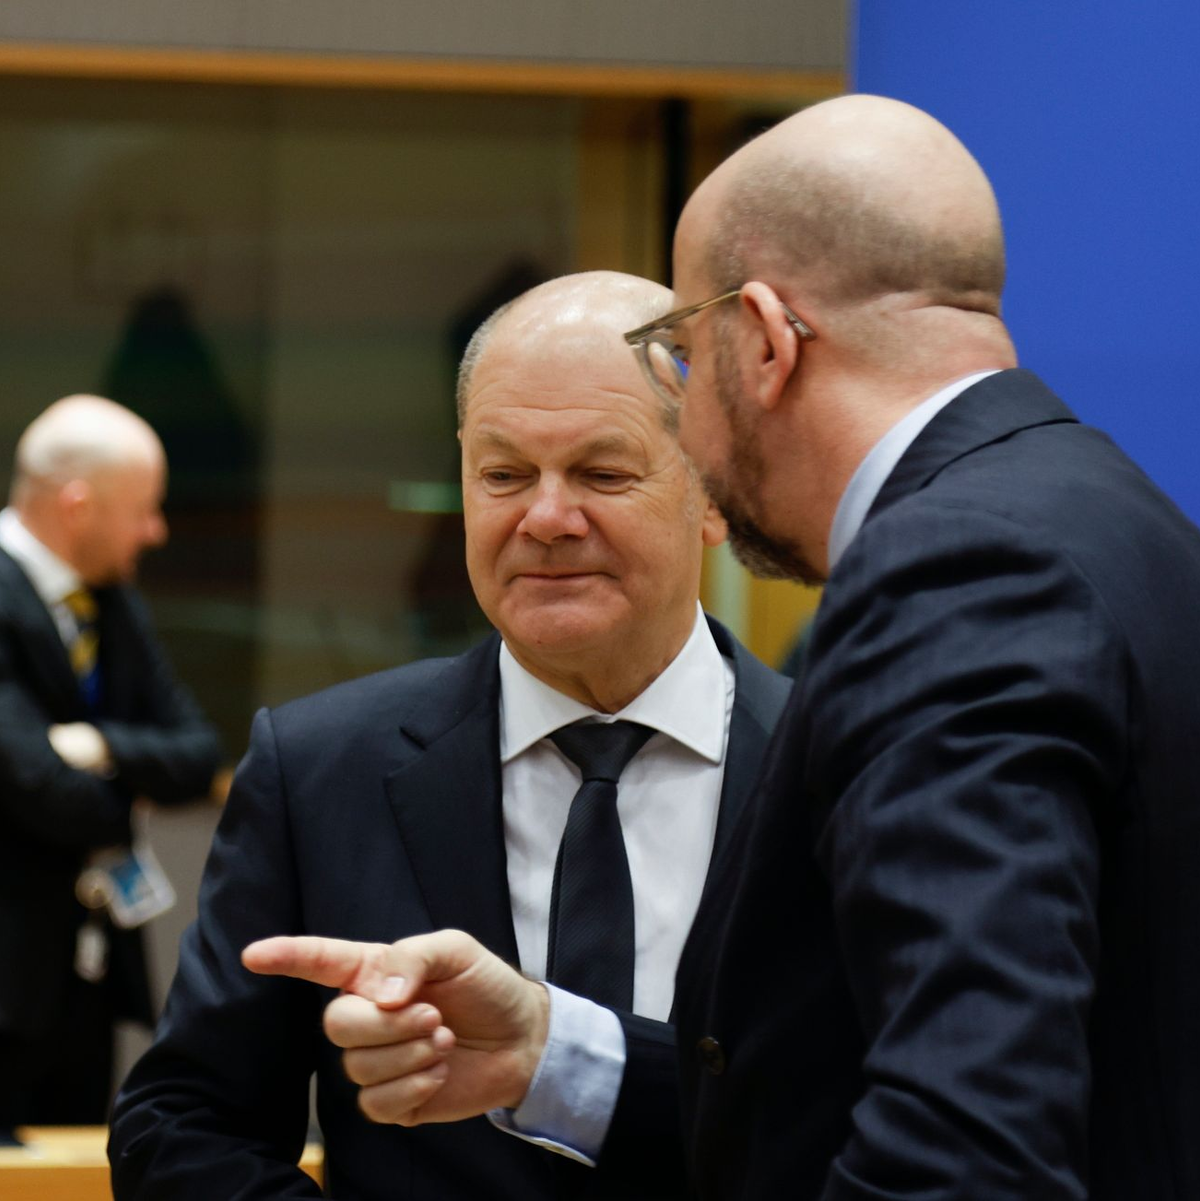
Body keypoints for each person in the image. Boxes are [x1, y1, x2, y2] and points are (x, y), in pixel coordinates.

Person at [239, 96, 1200, 1200]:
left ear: (765, 341)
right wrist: (555, 1054)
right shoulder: (1124, 521)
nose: (691, 418)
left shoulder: (954, 569)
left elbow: (964, 1140)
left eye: (683, 356)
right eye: (503, 473)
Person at [108, 271, 790, 1201]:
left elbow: (878, 1119)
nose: (545, 518)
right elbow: (179, 1124)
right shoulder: (320, 770)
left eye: (601, 471)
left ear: (712, 496)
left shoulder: (838, 767)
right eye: (504, 474)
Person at [0, 394, 222, 1136]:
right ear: (77, 504)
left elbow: (195, 754)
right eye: (143, 510)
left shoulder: (112, 601)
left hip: (84, 974)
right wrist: (127, 793)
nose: (155, 531)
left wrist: (99, 749)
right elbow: (36, 787)